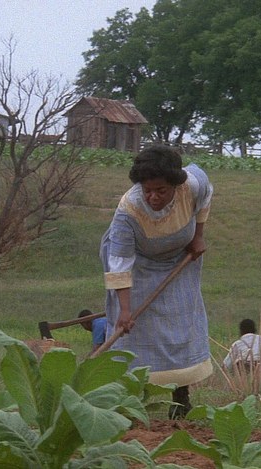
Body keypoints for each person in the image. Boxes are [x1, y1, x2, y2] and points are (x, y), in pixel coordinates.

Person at [100, 143, 213, 419]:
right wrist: (125, 310)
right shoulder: (128, 210)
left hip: (179, 257)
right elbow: (120, 264)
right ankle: (129, 402)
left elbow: (206, 197)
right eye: (147, 190)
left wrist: (198, 236)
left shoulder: (193, 184)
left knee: (180, 323)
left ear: (175, 184)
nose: (153, 197)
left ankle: (181, 397)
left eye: (161, 191)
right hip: (137, 263)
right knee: (133, 331)